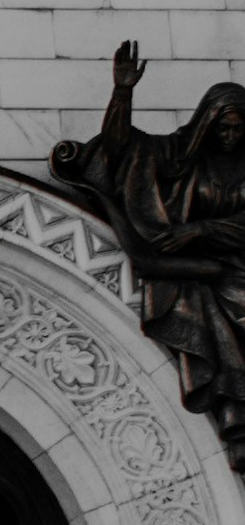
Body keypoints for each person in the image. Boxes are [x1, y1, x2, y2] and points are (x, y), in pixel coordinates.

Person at [54, 45, 245, 456]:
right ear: (207, 125)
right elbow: (120, 151)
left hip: (231, 265)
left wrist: (200, 228)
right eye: (223, 129)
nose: (230, 137)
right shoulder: (180, 156)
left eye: (237, 129)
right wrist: (122, 95)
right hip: (203, 268)